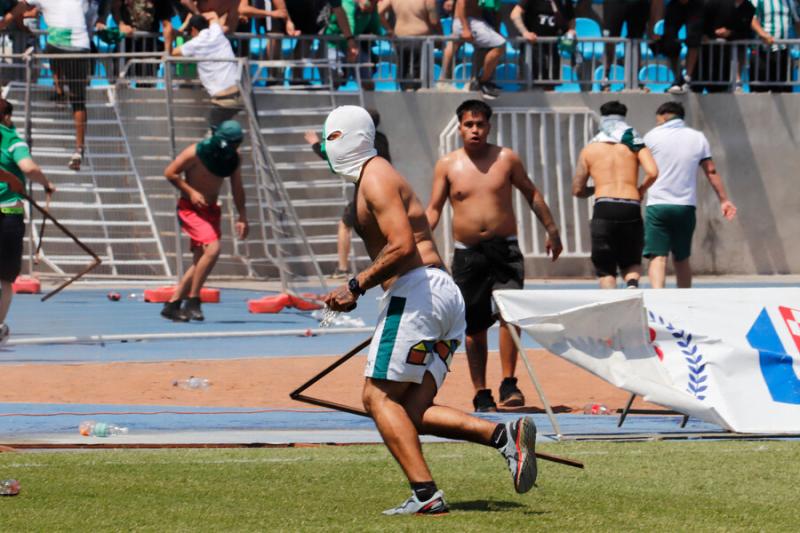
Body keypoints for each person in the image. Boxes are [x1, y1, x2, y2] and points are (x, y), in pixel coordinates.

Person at [321, 105, 538, 515]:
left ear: (349, 137)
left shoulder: (376, 175)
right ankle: (504, 436)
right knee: (413, 410)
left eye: (330, 138)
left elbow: (402, 245)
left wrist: (355, 285)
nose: (327, 148)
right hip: (439, 296)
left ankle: (426, 496)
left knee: (378, 398)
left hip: (418, 291)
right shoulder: (371, 176)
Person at [426, 100, 563, 412]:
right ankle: (481, 391)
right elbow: (433, 209)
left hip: (505, 250)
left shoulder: (506, 158)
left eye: (480, 124)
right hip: (468, 255)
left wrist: (552, 230)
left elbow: (532, 193)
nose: (475, 130)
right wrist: (419, 244)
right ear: (459, 128)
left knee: (510, 315)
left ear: (489, 126)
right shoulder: (448, 165)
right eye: (468, 125)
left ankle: (508, 382)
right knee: (473, 327)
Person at [161, 120, 249, 322]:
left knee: (201, 260)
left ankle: (173, 305)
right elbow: (170, 173)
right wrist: (191, 192)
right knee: (214, 249)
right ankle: (194, 300)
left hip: (211, 210)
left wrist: (242, 214)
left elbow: (237, 187)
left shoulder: (233, 158)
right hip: (190, 209)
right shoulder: (196, 152)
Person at [642, 101, 736, 288]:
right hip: (685, 206)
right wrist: (724, 200)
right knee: (682, 258)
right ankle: (684, 302)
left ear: (664, 116)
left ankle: (657, 302)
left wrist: (638, 191)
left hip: (657, 205)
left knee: (658, 257)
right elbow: (711, 171)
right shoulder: (697, 138)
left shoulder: (651, 136)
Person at [572, 101, 658, 289]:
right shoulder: (634, 142)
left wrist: (598, 188)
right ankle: (632, 283)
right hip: (631, 205)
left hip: (604, 206)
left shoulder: (590, 149)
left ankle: (611, 305)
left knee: (606, 269)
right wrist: (640, 191)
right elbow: (652, 172)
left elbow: (577, 190)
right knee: (631, 261)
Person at [304, 108, 391, 278]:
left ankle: (343, 269)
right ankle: (385, 265)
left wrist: (315, 143)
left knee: (345, 225)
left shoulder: (362, 141)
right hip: (383, 190)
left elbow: (334, 154)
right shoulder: (381, 139)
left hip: (365, 192)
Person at [0, 99, 56, 345]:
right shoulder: (12, 139)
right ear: (7, 117)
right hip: (8, 212)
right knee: (5, 279)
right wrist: (46, 184)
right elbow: (28, 167)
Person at [13, 0, 92, 170]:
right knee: (79, 101)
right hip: (82, 46)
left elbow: (18, 8)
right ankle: (79, 148)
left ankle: (58, 89)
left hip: (59, 45)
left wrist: (17, 21)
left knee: (50, 48)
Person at [173, 14, 243, 130]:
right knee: (228, 136)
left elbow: (173, 53)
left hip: (223, 101)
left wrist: (174, 33)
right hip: (240, 94)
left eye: (190, 32)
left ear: (194, 30)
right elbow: (214, 15)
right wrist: (195, 14)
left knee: (215, 140)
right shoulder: (216, 31)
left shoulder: (196, 43)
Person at [510, 0, 576, 90]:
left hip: (553, 47)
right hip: (533, 47)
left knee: (550, 84)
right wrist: (525, 32)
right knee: (532, 84)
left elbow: (571, 18)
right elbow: (515, 14)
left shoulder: (564, 2)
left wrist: (571, 29)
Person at [324, 0, 388, 90]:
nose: (373, 4)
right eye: (372, 2)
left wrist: (387, 35)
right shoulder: (349, 3)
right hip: (335, 44)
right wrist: (351, 44)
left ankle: (370, 103)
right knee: (334, 79)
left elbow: (375, 27)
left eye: (375, 2)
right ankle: (327, 102)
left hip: (355, 45)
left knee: (367, 82)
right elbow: (349, 24)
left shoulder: (372, 8)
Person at [694, 0, 755, 93]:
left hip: (725, 63)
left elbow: (747, 34)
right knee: (696, 89)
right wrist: (705, 34)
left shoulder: (749, 7)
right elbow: (699, 21)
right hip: (706, 56)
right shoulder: (714, 3)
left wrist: (730, 33)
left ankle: (736, 83)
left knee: (720, 91)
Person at [379, 0, 442, 90]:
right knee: (419, 73)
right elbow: (434, 21)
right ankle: (416, 95)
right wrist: (441, 35)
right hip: (420, 39)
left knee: (403, 70)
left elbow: (379, 12)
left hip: (400, 38)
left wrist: (389, 30)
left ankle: (404, 94)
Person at [451, 0, 506, 99]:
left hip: (478, 21)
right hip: (467, 22)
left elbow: (497, 10)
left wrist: (497, 30)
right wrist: (465, 29)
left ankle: (475, 82)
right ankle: (482, 82)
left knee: (484, 49)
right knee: (500, 45)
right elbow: (461, 3)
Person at [648, 0, 703, 95]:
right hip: (676, 4)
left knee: (694, 38)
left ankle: (687, 78)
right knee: (669, 42)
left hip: (695, 6)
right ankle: (678, 78)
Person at [601, 0, 656, 90]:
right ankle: (606, 76)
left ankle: (636, 78)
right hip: (615, 3)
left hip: (638, 3)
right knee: (610, 39)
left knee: (635, 39)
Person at [749, 0, 800, 92]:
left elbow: (797, 22)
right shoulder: (758, 1)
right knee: (759, 91)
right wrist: (763, 34)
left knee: (783, 91)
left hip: (783, 51)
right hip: (761, 51)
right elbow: (751, 19)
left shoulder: (789, 2)